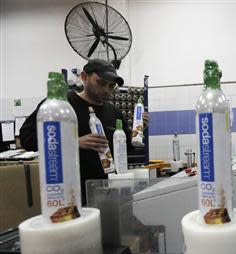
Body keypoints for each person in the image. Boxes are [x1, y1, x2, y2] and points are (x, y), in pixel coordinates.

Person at [20, 59, 149, 204]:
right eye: (101, 83)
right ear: (84, 77)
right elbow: (27, 138)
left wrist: (138, 132)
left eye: (111, 86)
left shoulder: (114, 112)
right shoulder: (61, 105)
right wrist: (75, 142)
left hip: (109, 191)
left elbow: (125, 150)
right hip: (72, 193)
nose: (107, 89)